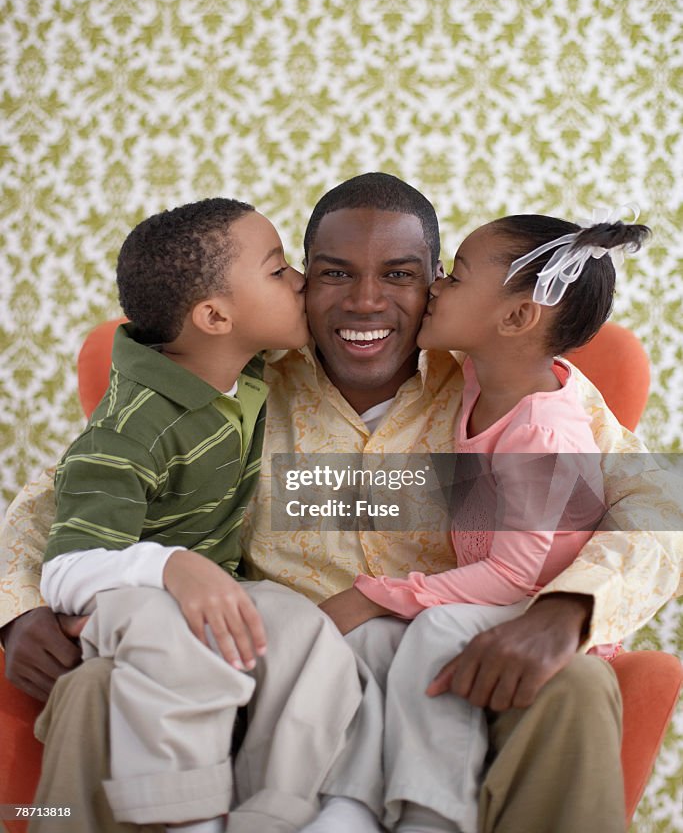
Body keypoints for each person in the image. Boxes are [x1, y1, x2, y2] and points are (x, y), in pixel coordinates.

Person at [1, 175, 681, 833]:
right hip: (265, 678)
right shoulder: (233, 383)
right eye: (332, 273)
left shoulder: (513, 386)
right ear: (299, 280)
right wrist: (19, 608)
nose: (363, 301)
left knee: (580, 687)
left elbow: (656, 503)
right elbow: (62, 495)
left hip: (449, 677)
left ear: (436, 283)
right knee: (92, 690)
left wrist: (569, 608)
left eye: (399, 274)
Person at [31, 197, 364, 833]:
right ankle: (184, 816)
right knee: (167, 638)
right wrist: (171, 568)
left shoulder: (246, 371)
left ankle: (280, 810)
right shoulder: (130, 430)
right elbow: (68, 567)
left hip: (214, 594)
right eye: (277, 271)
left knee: (300, 628)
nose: (299, 280)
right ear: (214, 316)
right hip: (129, 595)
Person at [337, 211, 650, 833]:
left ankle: (433, 812)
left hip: (529, 604)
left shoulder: (543, 431)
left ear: (514, 319)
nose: (433, 289)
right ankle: (350, 806)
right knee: (373, 642)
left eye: (452, 277)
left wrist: (378, 594)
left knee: (431, 629)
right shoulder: (482, 374)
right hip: (494, 593)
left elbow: (515, 574)